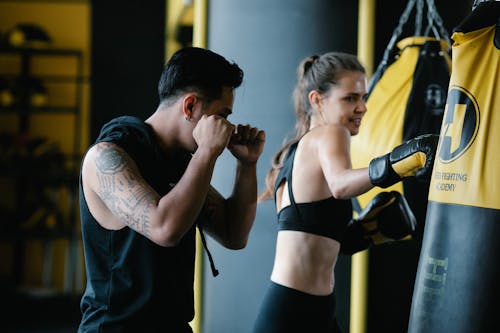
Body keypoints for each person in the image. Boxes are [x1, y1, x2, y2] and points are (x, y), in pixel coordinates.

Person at [78, 47, 266, 332]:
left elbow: (233, 234)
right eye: (222, 115)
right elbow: (164, 229)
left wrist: (247, 165)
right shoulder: (107, 156)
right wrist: (208, 151)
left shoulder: (179, 164)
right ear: (190, 106)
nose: (226, 127)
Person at [252, 52, 438, 333]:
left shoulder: (294, 154)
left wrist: (365, 232)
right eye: (350, 98)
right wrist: (398, 164)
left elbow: (310, 238)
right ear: (317, 100)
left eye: (363, 97)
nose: (362, 107)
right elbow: (341, 185)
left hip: (303, 307)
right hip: (296, 312)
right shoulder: (331, 133)